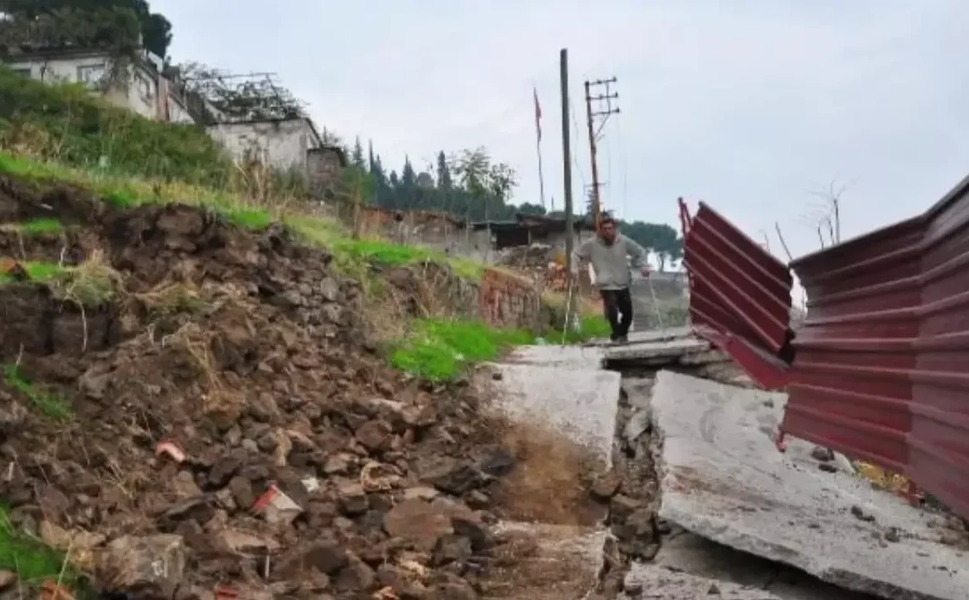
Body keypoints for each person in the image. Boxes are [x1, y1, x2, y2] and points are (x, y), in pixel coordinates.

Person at [572, 217, 650, 343]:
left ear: (614, 229)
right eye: (604, 229)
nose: (608, 231)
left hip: (622, 282)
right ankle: (617, 334)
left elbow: (640, 251)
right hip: (605, 284)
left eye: (610, 228)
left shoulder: (623, 241)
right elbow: (576, 254)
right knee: (612, 308)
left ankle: (620, 334)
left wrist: (643, 265)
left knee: (628, 313)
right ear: (600, 231)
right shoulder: (592, 244)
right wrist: (574, 269)